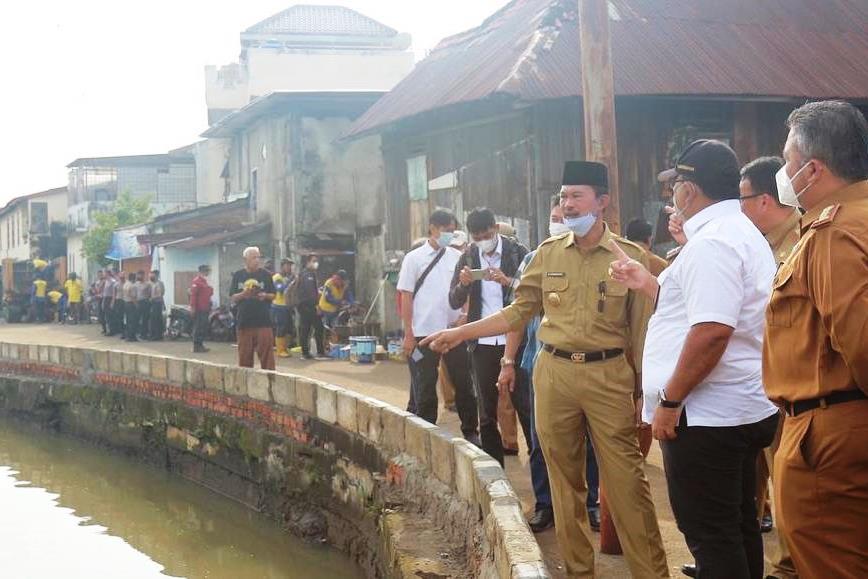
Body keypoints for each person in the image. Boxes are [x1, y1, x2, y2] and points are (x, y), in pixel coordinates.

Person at [423, 162, 668, 578]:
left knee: (627, 483)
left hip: (609, 376)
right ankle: (578, 571)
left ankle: (652, 573)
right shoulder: (546, 255)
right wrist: (463, 332)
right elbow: (517, 313)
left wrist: (647, 390)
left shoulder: (632, 257)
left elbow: (644, 330)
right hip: (553, 373)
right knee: (563, 483)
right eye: (562, 197)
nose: (567, 205)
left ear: (602, 202)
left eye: (576, 196)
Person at [611, 139, 779, 579]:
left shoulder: (713, 243)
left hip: (706, 416)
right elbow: (705, 309)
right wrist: (649, 282)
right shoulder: (738, 233)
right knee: (736, 526)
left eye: (676, 186)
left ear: (689, 190)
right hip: (733, 408)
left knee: (711, 532)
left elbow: (712, 331)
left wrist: (670, 401)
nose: (672, 196)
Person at [763, 100, 868, 578]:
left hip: (828, 434)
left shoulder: (834, 232)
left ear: (814, 169)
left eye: (787, 165)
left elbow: (863, 345)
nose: (783, 178)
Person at [502, 194, 601, 533]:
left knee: (588, 440)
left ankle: (591, 503)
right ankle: (546, 505)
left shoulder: (601, 257)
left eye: (566, 214)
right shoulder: (535, 258)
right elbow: (517, 315)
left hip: (587, 366)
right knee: (541, 439)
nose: (561, 220)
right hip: (539, 363)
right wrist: (508, 361)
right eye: (556, 215)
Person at [449, 207, 531, 467]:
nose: (483, 239)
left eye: (486, 233)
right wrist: (464, 284)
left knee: (526, 409)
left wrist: (508, 281)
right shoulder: (468, 257)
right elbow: (453, 300)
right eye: (477, 236)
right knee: (486, 413)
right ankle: (496, 473)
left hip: (516, 340)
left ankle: (541, 475)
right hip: (482, 343)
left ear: (496, 228)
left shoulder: (519, 252)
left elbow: (534, 293)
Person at [398, 209, 480, 443]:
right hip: (423, 334)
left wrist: (464, 315)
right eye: (446, 230)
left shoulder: (456, 257)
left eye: (452, 230)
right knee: (425, 386)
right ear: (432, 228)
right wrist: (408, 334)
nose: (449, 234)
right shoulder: (413, 259)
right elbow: (406, 296)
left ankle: (470, 431)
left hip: (453, 332)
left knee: (464, 383)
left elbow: (466, 290)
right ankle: (427, 433)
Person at [229, 247, 276, 370]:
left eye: (258, 257)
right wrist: (243, 294)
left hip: (263, 322)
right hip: (244, 322)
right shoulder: (238, 275)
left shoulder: (266, 275)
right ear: (245, 260)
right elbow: (233, 297)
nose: (257, 260)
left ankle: (270, 383)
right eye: (254, 257)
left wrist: (264, 295)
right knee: (245, 358)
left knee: (267, 357)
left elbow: (273, 294)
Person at [296, 255, 328, 360]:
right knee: (317, 328)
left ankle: (306, 353)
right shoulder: (307, 275)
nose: (316, 263)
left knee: (306, 329)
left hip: (303, 305)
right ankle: (318, 352)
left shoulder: (305, 273)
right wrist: (317, 306)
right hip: (308, 305)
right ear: (308, 262)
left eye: (316, 261)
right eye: (314, 261)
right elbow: (310, 293)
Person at [271, 258, 296, 358]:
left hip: (287, 305)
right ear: (282, 266)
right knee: (281, 327)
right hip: (279, 305)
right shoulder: (277, 277)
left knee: (288, 328)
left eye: (290, 265)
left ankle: (285, 348)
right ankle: (280, 350)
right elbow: (280, 289)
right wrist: (291, 281)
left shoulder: (287, 277)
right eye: (288, 265)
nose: (290, 268)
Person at [190, 265, 213, 353]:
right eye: (206, 271)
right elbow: (193, 296)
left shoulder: (205, 282)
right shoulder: (197, 281)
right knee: (198, 327)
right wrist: (192, 307)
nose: (208, 273)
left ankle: (200, 345)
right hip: (199, 308)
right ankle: (196, 346)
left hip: (205, 308)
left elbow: (210, 293)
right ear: (202, 271)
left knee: (203, 327)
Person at [122, 272, 139, 341]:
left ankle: (128, 335)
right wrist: (136, 305)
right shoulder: (133, 286)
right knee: (133, 321)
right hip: (131, 304)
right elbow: (133, 297)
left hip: (126, 303)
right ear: (133, 278)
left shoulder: (125, 284)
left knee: (128, 320)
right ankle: (132, 336)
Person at [149, 270, 165, 340]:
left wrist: (152, 298)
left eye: (153, 275)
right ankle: (153, 334)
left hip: (157, 303)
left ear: (157, 275)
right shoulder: (152, 283)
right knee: (153, 319)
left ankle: (158, 335)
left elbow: (160, 294)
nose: (151, 276)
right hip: (153, 303)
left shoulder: (159, 283)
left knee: (157, 319)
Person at [135, 270, 151, 340]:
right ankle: (137, 333)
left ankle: (144, 334)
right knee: (137, 318)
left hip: (145, 302)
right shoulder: (135, 284)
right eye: (138, 275)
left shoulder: (147, 284)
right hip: (137, 302)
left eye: (141, 275)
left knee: (145, 319)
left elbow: (150, 294)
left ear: (143, 275)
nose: (139, 276)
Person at [111, 272, 126, 337]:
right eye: (121, 275)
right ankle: (122, 332)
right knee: (120, 317)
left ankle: (127, 331)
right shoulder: (116, 284)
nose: (122, 277)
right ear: (119, 276)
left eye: (123, 275)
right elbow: (114, 294)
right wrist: (112, 303)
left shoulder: (127, 283)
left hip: (126, 301)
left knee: (127, 317)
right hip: (118, 301)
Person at [100, 270, 115, 335]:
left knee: (109, 316)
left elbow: (114, 292)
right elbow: (101, 290)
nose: (103, 275)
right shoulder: (105, 281)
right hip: (105, 298)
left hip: (110, 298)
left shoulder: (112, 281)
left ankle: (111, 330)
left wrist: (112, 302)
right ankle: (107, 329)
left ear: (108, 274)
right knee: (105, 315)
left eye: (104, 273)